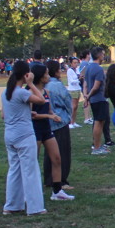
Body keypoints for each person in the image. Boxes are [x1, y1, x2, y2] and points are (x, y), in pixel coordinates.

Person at [1, 61, 46, 216]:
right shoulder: (21, 92)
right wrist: (31, 84)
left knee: (14, 170)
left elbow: (5, 114)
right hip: (24, 135)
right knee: (30, 171)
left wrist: (26, 113)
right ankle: (35, 207)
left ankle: (11, 205)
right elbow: (41, 100)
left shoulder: (6, 92)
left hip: (10, 135)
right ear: (26, 74)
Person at [30, 62, 74, 202]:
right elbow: (32, 115)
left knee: (57, 158)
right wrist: (50, 116)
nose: (48, 76)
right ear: (40, 77)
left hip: (47, 129)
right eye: (46, 74)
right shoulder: (30, 93)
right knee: (32, 161)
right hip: (35, 130)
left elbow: (48, 109)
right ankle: (30, 191)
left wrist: (53, 115)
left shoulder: (46, 91)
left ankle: (57, 190)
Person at [44, 60, 75, 191]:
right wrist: (68, 115)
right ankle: (61, 180)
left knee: (49, 152)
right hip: (59, 121)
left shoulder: (44, 84)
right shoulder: (56, 85)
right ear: (56, 71)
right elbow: (67, 101)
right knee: (62, 151)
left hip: (48, 122)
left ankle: (49, 179)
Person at [84, 47, 109, 155]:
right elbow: (96, 86)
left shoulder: (89, 67)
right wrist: (88, 96)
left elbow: (85, 84)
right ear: (99, 55)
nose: (104, 56)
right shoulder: (98, 69)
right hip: (99, 99)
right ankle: (96, 148)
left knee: (98, 122)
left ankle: (97, 145)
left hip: (94, 99)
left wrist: (86, 96)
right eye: (103, 54)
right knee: (98, 123)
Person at [66, 56, 83, 128]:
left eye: (77, 63)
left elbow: (78, 77)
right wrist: (79, 79)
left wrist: (81, 77)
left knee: (76, 106)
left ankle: (74, 121)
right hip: (72, 89)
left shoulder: (77, 70)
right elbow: (71, 81)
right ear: (71, 63)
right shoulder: (70, 71)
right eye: (74, 63)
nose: (76, 64)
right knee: (73, 106)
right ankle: (70, 122)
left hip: (78, 88)